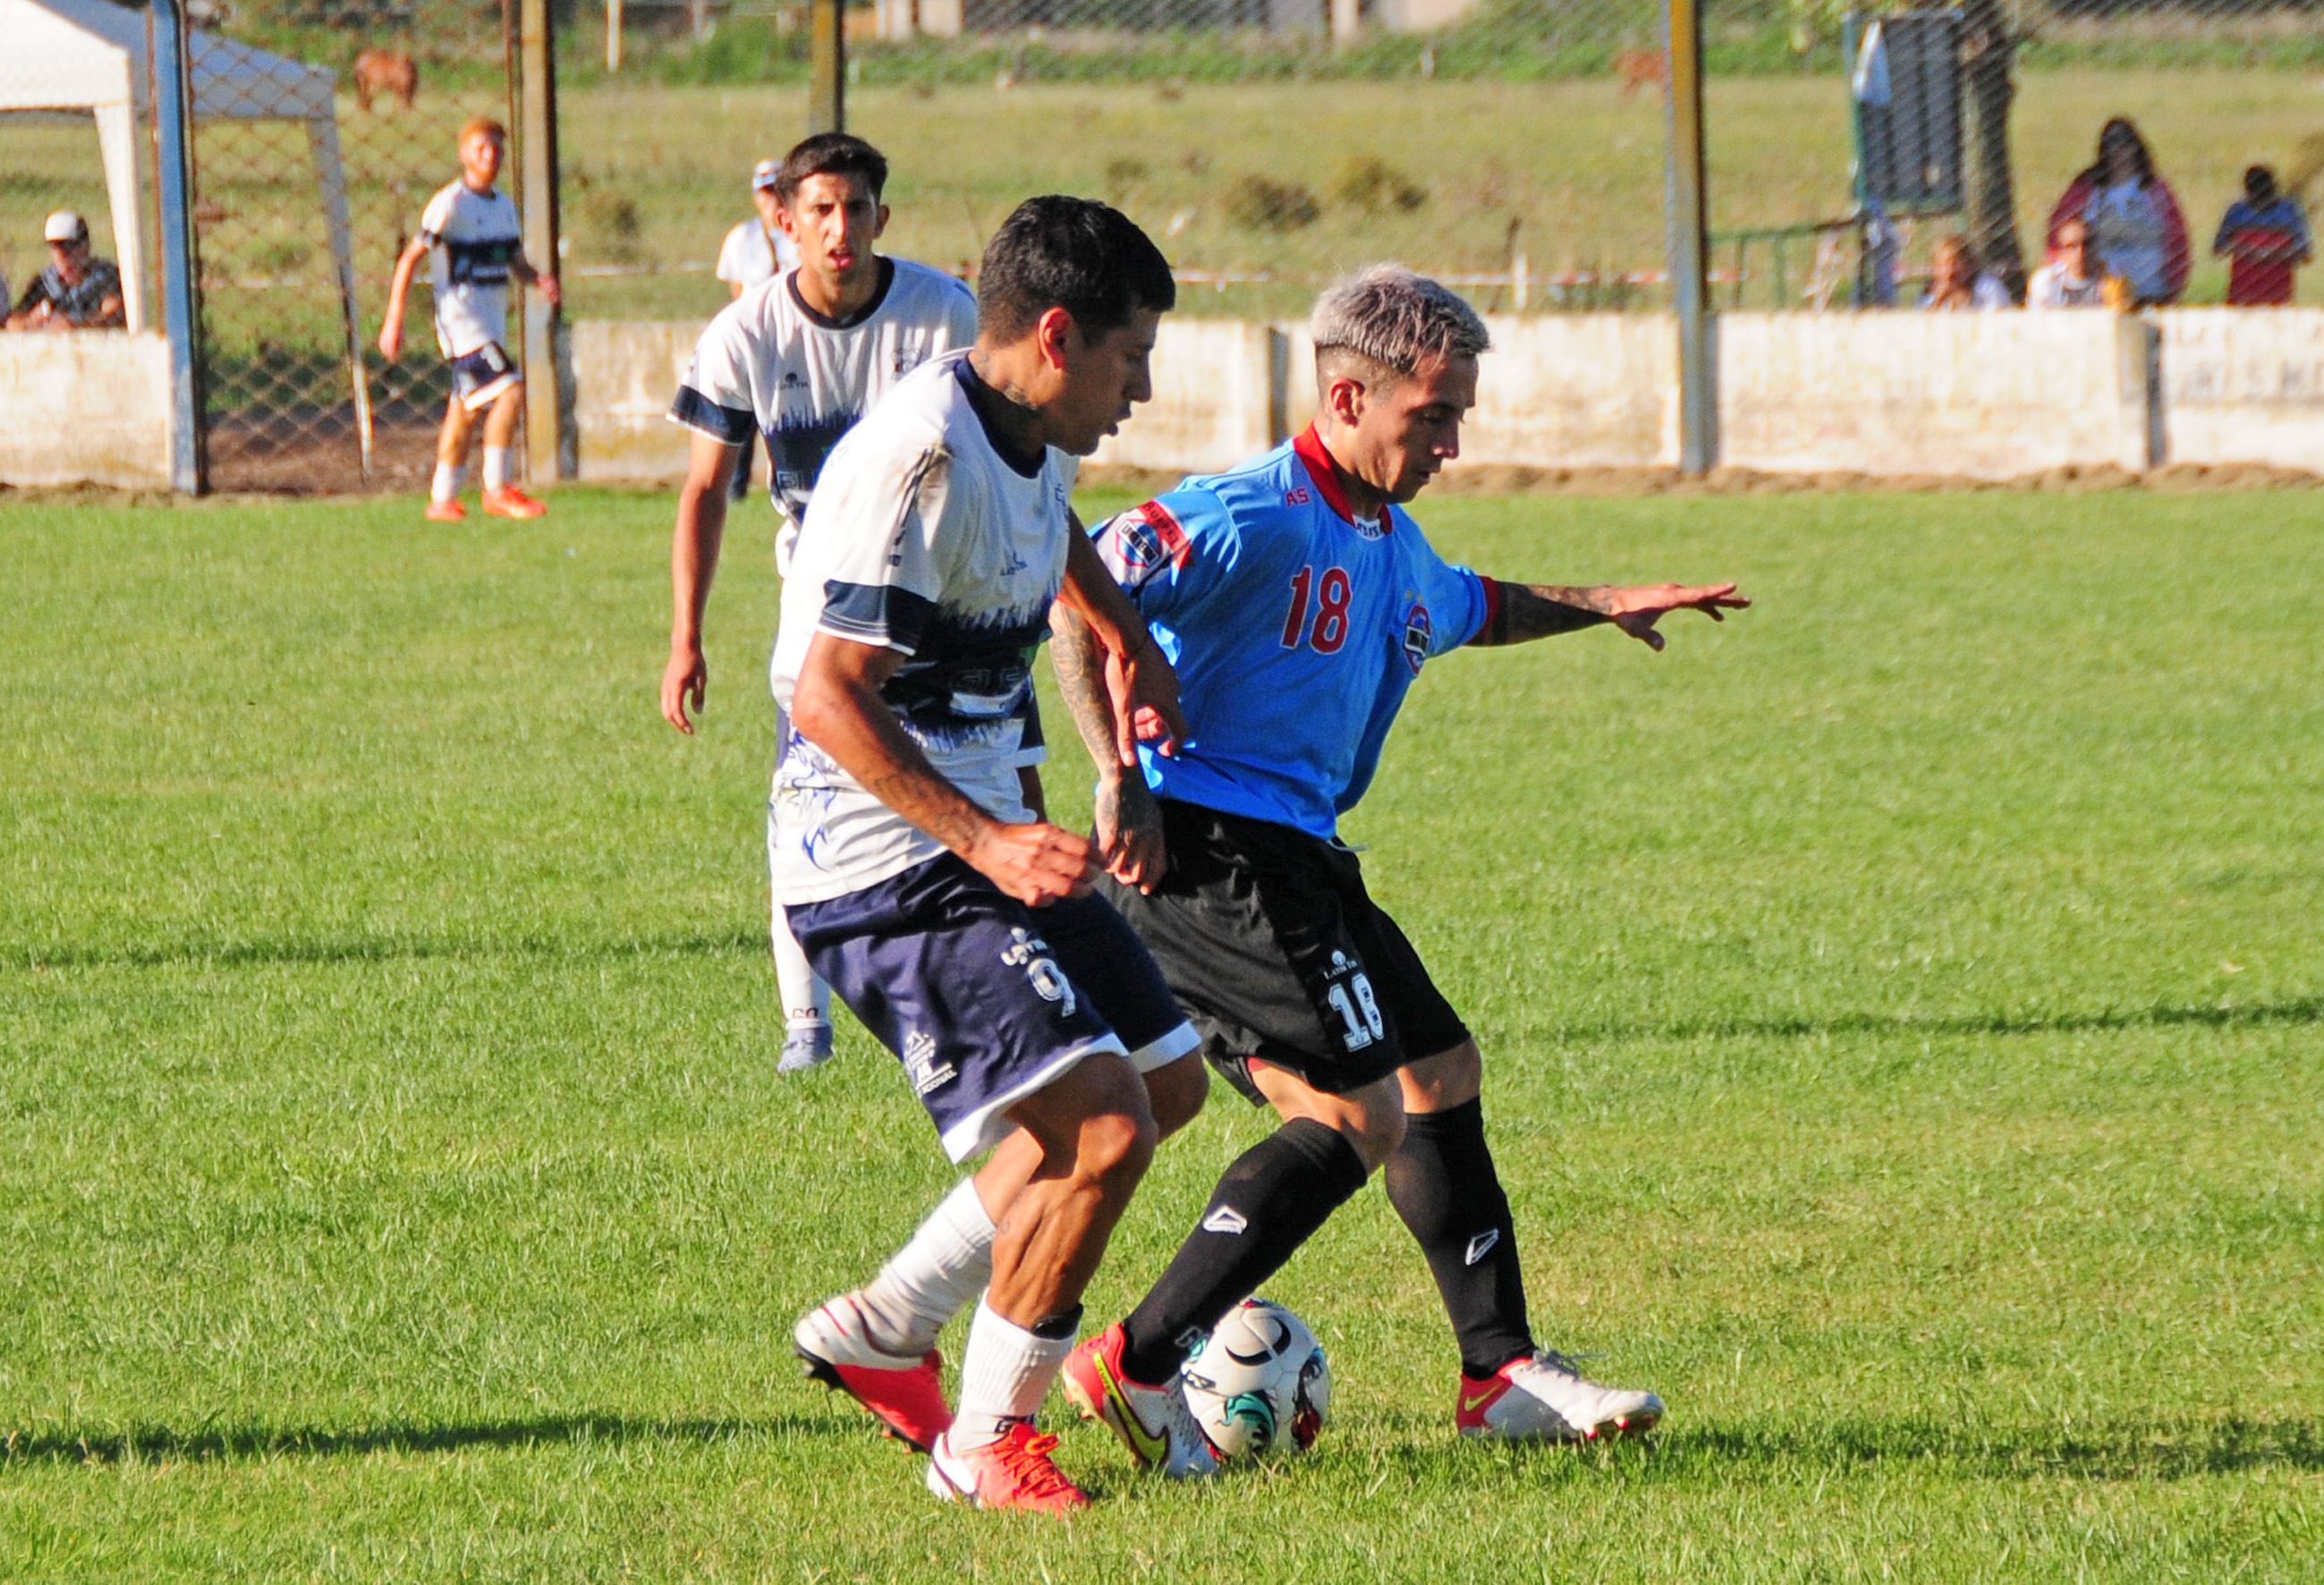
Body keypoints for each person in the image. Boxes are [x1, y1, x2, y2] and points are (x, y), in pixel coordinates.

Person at [1047, 265, 1746, 1470]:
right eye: (1433, 416)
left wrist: (1606, 600)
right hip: (1208, 849)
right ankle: (1137, 1359)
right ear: (1348, 396)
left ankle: (1498, 1372)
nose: (1452, 442)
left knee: (1437, 1070)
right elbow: (1080, 589)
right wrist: (1117, 773)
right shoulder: (1242, 512)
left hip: (1299, 855)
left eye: (1459, 414)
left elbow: (1479, 604)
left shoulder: (1386, 538)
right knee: (1354, 1116)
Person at [771, 195, 1200, 1513]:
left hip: (980, 832)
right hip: (875, 859)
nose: (1143, 387)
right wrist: (987, 842)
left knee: (1161, 1082)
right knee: (1101, 1128)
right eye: (1131, 355)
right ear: (1059, 337)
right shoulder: (919, 457)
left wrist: (1121, 633)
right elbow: (822, 692)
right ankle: (986, 1442)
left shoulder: (1026, 426)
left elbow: (1049, 526)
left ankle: (888, 1322)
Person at [661, 132, 979, 1075]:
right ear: (784, 221)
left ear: (884, 217)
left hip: (939, 587)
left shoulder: (943, 314)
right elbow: (702, 492)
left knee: (967, 788)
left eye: (857, 209)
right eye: (821, 211)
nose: (840, 229)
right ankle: (806, 1023)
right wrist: (686, 637)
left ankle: (978, 994)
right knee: (800, 803)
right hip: (819, 599)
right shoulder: (745, 334)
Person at [377, 115, 561, 522]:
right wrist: (395, 316)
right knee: (510, 391)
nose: (490, 155)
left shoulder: (504, 208)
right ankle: (497, 489)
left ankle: (442, 499)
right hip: (462, 321)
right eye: (481, 148)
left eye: (496, 148)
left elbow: (514, 261)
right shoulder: (451, 204)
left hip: (491, 320)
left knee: (464, 408)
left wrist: (537, 279)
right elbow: (410, 259)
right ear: (464, 154)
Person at [715, 157, 806, 504]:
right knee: (745, 411)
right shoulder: (742, 238)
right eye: (766, 193)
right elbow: (737, 291)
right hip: (756, 337)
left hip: (796, 335)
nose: (772, 200)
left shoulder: (801, 234)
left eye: (777, 192)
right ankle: (736, 486)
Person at [2045, 117, 2189, 308]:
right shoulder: (2086, 189)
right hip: (2100, 294)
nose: (2119, 150)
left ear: (2136, 147)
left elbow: (2178, 238)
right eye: (2112, 143)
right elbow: (2059, 232)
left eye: (2125, 142)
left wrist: (2176, 284)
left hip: (2152, 290)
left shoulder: (2154, 189)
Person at [7, 211, 125, 331]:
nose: (61, 256)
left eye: (68, 247)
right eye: (55, 248)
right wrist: (32, 320)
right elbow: (13, 322)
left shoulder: (105, 277)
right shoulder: (45, 283)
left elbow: (115, 313)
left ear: (86, 246)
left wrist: (78, 326)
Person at [2214, 165, 2311, 308]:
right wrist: (2245, 249)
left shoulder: (2289, 211)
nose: (2261, 203)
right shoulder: (2237, 212)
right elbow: (2219, 248)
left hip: (2279, 295)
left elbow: (2305, 253)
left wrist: (2275, 253)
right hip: (2242, 294)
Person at [2026, 217, 2116, 309]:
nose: (2080, 252)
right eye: (2071, 246)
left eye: (2086, 244)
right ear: (2061, 252)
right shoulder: (2047, 282)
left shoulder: (2109, 282)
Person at [1920, 233, 2010, 310]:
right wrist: (1937, 302)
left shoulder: (1987, 286)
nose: (1949, 271)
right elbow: (1919, 323)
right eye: (1942, 265)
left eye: (1954, 263)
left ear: (1969, 264)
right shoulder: (1930, 292)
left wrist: (1967, 302)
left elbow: (1999, 316)